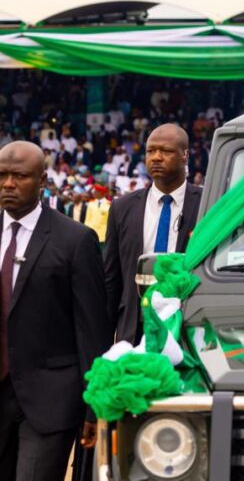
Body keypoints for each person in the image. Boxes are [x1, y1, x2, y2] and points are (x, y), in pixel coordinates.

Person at [0, 141, 111, 480]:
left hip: (50, 401)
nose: (8, 184)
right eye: (2, 175)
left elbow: (91, 329)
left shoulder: (76, 240)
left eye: (19, 176)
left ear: (43, 181)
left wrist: (94, 407)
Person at [104, 124, 202, 344]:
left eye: (165, 151)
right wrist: (105, 336)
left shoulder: (207, 204)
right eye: (151, 151)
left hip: (188, 324)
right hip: (135, 327)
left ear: (185, 155)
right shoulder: (122, 207)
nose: (156, 157)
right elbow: (112, 278)